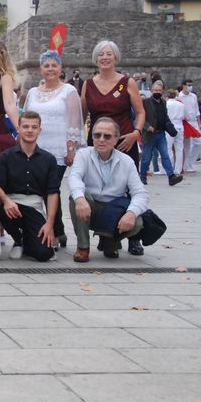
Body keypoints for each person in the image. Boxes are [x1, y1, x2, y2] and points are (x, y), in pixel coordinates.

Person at [24, 50, 85, 249]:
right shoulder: (33, 92)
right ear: (40, 69)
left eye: (54, 65)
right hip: (36, 148)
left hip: (58, 150)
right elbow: (26, 118)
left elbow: (74, 120)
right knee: (39, 190)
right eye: (46, 66)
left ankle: (56, 231)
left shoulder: (69, 91)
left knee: (50, 189)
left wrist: (71, 148)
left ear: (60, 68)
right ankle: (56, 230)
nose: (50, 69)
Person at [68, 117, 149, 262]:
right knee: (76, 198)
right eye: (97, 135)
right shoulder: (83, 154)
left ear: (116, 139)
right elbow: (74, 177)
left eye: (107, 136)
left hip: (113, 210)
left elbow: (140, 193)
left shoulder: (127, 161)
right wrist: (80, 199)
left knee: (137, 222)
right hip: (90, 207)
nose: (101, 140)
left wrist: (131, 213)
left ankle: (110, 240)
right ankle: (83, 246)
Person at [0, 111, 59, 262]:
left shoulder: (49, 159)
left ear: (40, 130)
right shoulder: (6, 156)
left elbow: (53, 193)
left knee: (43, 254)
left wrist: (49, 223)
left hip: (34, 208)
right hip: (11, 206)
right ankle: (18, 240)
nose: (30, 130)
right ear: (18, 128)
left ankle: (27, 241)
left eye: (34, 127)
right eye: (25, 126)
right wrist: (6, 201)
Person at [81, 40, 145, 168]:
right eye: (101, 54)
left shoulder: (127, 83)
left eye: (109, 54)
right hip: (98, 142)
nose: (105, 57)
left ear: (115, 57)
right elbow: (81, 116)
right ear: (96, 58)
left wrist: (136, 133)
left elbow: (140, 112)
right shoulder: (88, 85)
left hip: (124, 142)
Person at [140, 80, 183, 186]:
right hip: (149, 134)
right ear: (151, 90)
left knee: (165, 155)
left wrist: (172, 130)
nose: (157, 92)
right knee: (146, 157)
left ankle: (171, 176)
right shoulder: (145, 102)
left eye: (159, 90)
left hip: (161, 134)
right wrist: (147, 126)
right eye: (155, 90)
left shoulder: (163, 102)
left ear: (163, 91)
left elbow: (165, 117)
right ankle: (142, 177)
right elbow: (140, 117)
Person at [178, 79, 201, 173]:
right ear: (183, 85)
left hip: (194, 122)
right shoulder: (179, 97)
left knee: (199, 142)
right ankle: (185, 165)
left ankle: (190, 163)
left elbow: (197, 110)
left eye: (191, 85)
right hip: (185, 122)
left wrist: (199, 124)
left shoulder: (193, 96)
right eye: (188, 85)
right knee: (186, 145)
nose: (190, 87)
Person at [165, 89, 185, 175]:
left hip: (170, 126)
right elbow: (184, 116)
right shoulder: (181, 104)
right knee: (179, 148)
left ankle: (170, 167)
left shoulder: (167, 104)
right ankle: (178, 169)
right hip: (180, 125)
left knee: (168, 147)